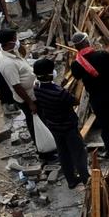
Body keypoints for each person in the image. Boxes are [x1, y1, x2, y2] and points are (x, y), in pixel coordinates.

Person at [32, 58, 89, 188]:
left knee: (63, 153)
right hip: (68, 126)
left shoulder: (37, 88)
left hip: (53, 125)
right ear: (48, 74)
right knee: (79, 153)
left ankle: (71, 180)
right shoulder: (59, 93)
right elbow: (75, 101)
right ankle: (86, 178)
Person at [0, 28, 40, 146]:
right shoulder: (7, 63)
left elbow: (23, 53)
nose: (17, 41)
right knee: (35, 124)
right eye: (15, 39)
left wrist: (18, 45)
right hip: (27, 98)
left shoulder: (10, 50)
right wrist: (30, 103)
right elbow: (16, 86)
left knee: (39, 121)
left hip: (32, 93)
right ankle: (42, 150)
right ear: (9, 42)